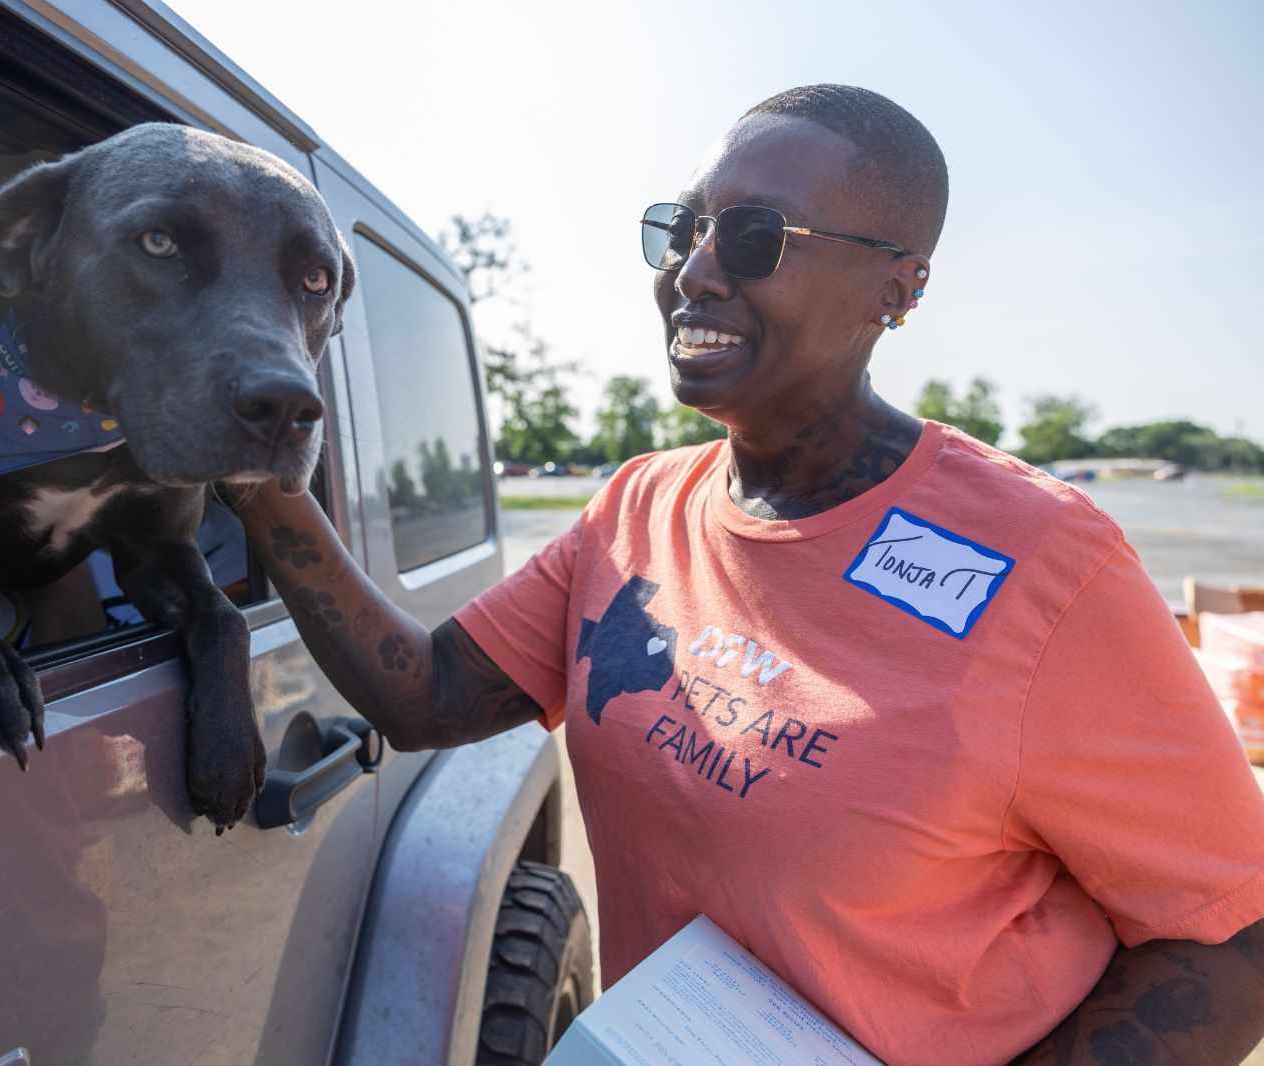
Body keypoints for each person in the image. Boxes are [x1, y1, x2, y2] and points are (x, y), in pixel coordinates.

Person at [229, 85, 1264, 1064]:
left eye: (754, 237)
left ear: (897, 287)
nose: (694, 272)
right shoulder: (636, 509)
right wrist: (258, 470)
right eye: (683, 229)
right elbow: (429, 692)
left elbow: (1237, 933)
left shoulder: (1045, 566)